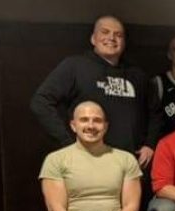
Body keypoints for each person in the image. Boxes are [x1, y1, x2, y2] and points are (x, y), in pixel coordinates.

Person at [31, 15, 160, 166]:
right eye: (105, 32)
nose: (111, 38)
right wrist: (68, 143)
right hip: (86, 162)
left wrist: (150, 144)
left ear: (124, 42)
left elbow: (156, 113)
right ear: (93, 38)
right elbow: (40, 101)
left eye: (118, 35)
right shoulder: (74, 66)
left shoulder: (138, 75)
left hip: (129, 164)